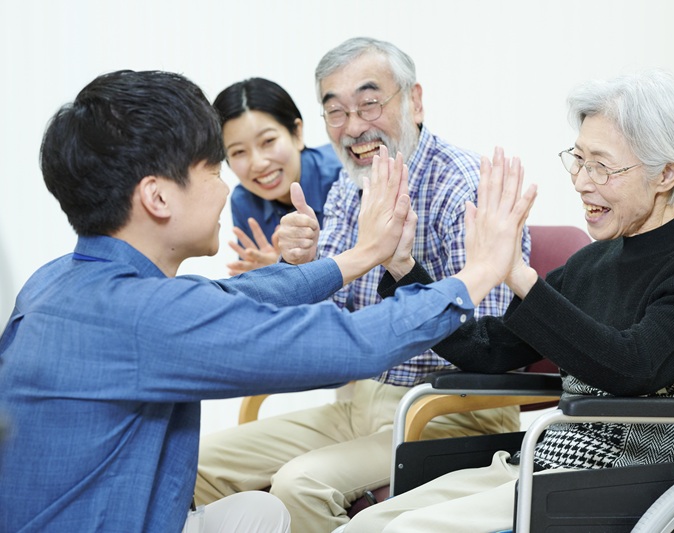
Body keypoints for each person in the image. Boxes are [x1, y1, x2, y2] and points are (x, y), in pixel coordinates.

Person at [0, 69, 536, 533]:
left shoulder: (59, 280)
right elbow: (348, 344)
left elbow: (234, 295)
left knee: (259, 513)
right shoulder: (146, 315)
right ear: (157, 196)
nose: (227, 187)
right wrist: (477, 274)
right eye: (214, 169)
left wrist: (362, 255)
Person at [343, 69, 674, 532]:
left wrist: (517, 273)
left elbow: (634, 367)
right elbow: (488, 350)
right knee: (367, 524)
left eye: (601, 166)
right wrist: (403, 268)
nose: (581, 182)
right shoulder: (590, 263)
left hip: (623, 478)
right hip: (544, 461)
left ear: (666, 174)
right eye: (579, 160)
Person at [195, 37, 531, 533]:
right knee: (198, 463)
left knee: (300, 485)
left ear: (414, 101)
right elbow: (330, 319)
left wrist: (402, 269)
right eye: (336, 111)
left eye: (369, 103)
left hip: (448, 408)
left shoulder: (462, 186)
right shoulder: (349, 187)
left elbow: (489, 342)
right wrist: (302, 265)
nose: (353, 127)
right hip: (359, 401)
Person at [213, 78, 341, 275]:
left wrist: (285, 274)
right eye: (238, 152)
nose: (258, 163)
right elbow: (257, 280)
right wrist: (269, 277)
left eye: (268, 141)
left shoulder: (342, 176)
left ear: (297, 133)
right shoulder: (244, 201)